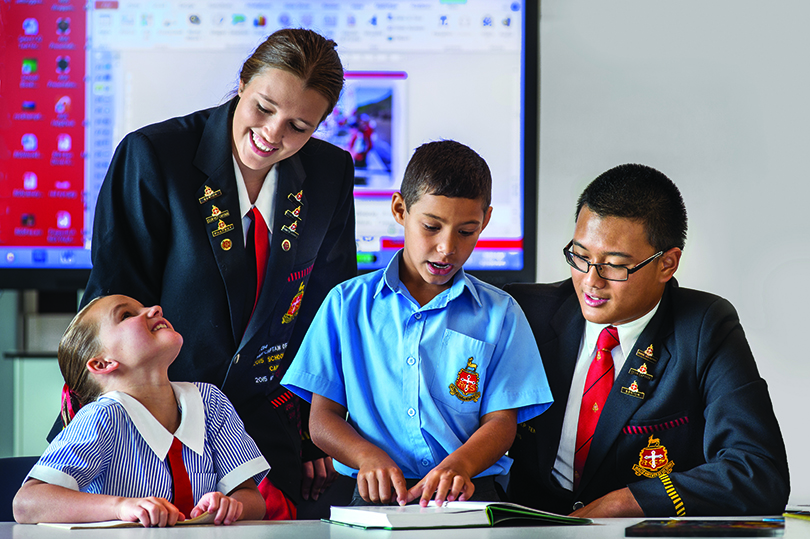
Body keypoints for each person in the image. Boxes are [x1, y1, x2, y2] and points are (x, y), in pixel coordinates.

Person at [71, 28, 357, 518]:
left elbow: (328, 307)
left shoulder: (329, 173)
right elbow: (112, 307)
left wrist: (318, 428)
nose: (273, 134)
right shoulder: (154, 155)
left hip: (264, 432)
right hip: (147, 428)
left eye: (299, 126)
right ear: (243, 82)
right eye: (264, 108)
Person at [504, 164, 790, 517]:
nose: (591, 281)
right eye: (580, 256)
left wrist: (627, 501)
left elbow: (760, 473)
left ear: (667, 264)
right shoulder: (523, 311)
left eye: (614, 265)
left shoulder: (703, 328)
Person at [281, 140, 553, 507]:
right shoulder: (346, 304)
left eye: (466, 231)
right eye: (431, 226)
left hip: (468, 492)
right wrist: (366, 457)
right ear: (400, 209)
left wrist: (459, 465)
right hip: (375, 495)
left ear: (486, 221)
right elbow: (322, 420)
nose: (446, 247)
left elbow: (502, 423)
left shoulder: (501, 313)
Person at [14, 295, 268, 526]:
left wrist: (232, 506)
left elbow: (252, 499)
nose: (155, 308)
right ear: (103, 363)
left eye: (145, 306)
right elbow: (27, 504)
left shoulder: (211, 402)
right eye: (126, 315)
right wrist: (122, 506)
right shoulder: (102, 417)